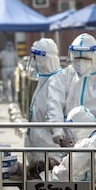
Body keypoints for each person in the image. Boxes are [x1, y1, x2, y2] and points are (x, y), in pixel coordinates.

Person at [48, 33, 96, 147]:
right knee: (70, 164)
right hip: (69, 140)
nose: (80, 62)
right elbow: (54, 104)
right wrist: (57, 129)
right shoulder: (64, 77)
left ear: (94, 56)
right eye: (77, 59)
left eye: (85, 59)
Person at [24, 38, 64, 171]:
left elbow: (55, 116)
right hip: (39, 153)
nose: (34, 62)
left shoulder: (58, 82)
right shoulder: (44, 80)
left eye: (35, 57)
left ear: (43, 59)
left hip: (51, 155)